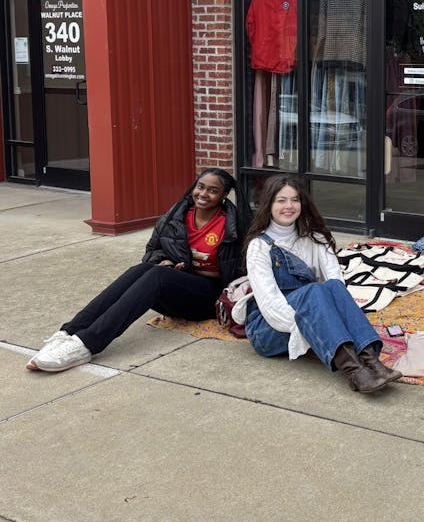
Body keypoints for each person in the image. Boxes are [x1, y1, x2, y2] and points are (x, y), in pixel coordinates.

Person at [28, 168, 250, 372]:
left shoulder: (233, 225)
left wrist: (188, 270)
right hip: (177, 290)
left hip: (211, 298)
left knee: (158, 276)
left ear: (224, 195)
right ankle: (69, 332)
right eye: (200, 187)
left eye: (213, 191)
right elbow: (153, 251)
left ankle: (87, 344)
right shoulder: (176, 216)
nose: (203, 194)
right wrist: (166, 262)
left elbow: (239, 274)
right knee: (143, 269)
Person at [240, 174, 401, 393]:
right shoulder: (259, 247)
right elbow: (271, 307)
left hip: (309, 313)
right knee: (315, 290)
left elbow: (337, 284)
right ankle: (355, 372)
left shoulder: (315, 238)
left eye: (295, 200)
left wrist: (325, 321)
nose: (289, 206)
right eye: (281, 200)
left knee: (333, 286)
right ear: (268, 205)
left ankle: (372, 361)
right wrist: (314, 325)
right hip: (268, 328)